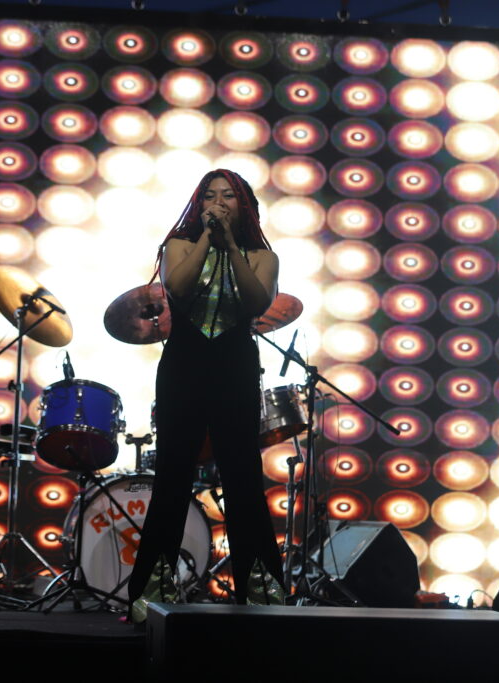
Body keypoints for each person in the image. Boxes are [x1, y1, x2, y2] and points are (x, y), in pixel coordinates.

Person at [127, 169, 285, 621]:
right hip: (184, 366)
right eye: (210, 196)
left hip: (235, 367)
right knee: (172, 478)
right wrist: (206, 241)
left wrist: (231, 246)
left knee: (243, 479)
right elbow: (177, 288)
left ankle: (259, 595)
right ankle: (150, 596)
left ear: (244, 206)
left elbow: (256, 303)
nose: (218, 203)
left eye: (228, 196)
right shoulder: (177, 246)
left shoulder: (263, 257)